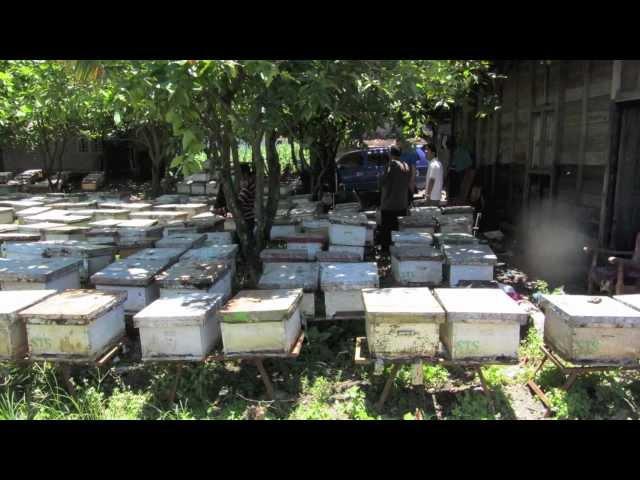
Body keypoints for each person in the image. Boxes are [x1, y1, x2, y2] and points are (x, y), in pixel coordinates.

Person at [379, 146, 411, 251]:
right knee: (398, 229)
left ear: (391, 154)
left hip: (389, 204)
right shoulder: (406, 166)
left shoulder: (391, 166)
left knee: (387, 230)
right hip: (402, 203)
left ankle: (386, 250)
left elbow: (383, 182)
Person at [237, 164, 256, 233]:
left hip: (247, 219)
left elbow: (239, 203)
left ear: (244, 174)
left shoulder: (248, 187)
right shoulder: (252, 184)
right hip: (249, 218)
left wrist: (222, 210)